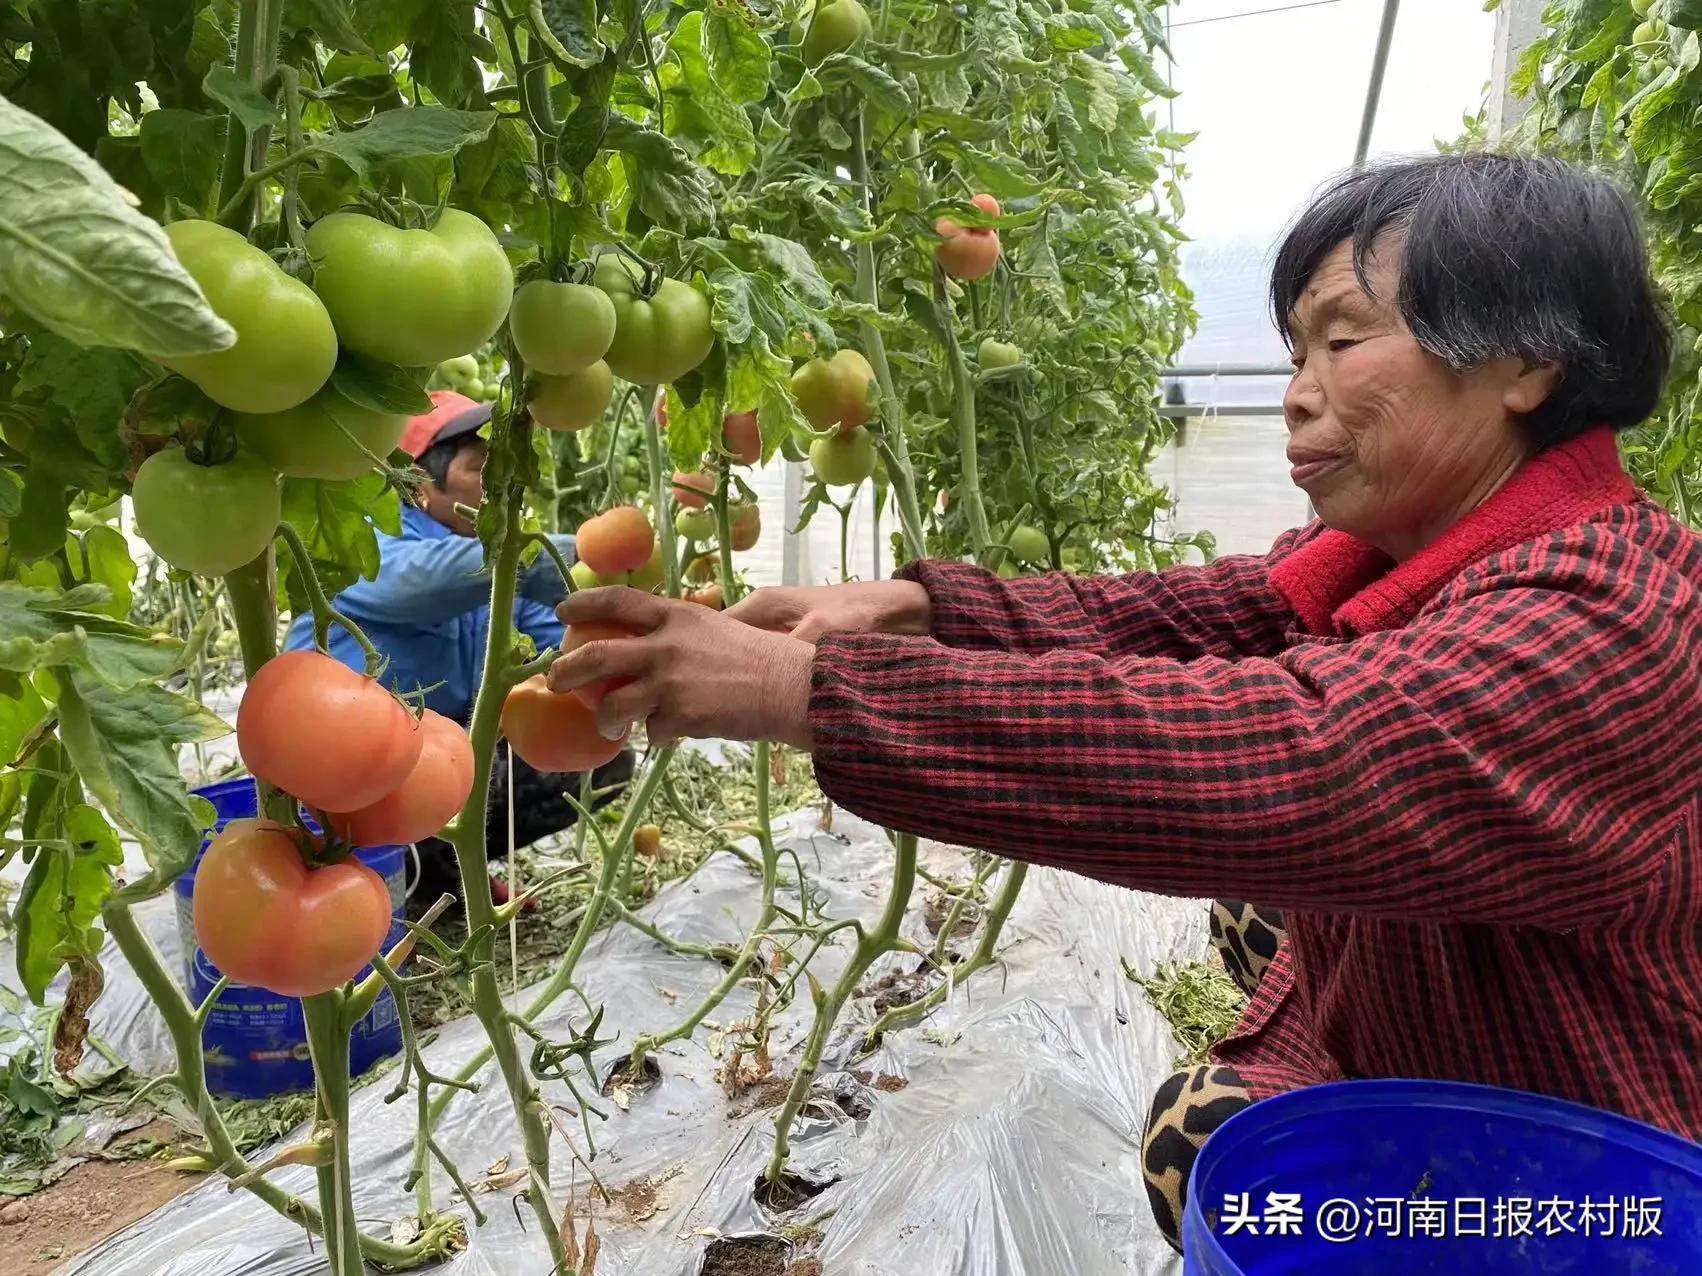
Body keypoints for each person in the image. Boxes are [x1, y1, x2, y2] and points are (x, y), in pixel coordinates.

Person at [540, 154, 1701, 1249]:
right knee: (1248, 945)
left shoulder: (1607, 617)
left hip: (1609, 1172)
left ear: (1525, 361)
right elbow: (1223, 615)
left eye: (1342, 342)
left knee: (1210, 1144)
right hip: (1479, 1054)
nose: (1297, 397)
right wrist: (925, 610)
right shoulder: (1440, 557)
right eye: (1295, 352)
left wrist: (807, 690)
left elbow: (1288, 759)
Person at [283, 390, 632, 908]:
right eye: (478, 467)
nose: (498, 481)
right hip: (343, 764)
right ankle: (391, 871)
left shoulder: (489, 563)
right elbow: (419, 582)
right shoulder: (366, 537)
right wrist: (552, 552)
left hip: (433, 751)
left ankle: (444, 868)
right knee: (427, 766)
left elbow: (555, 634)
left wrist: (629, 642)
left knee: (600, 765)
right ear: (423, 480)